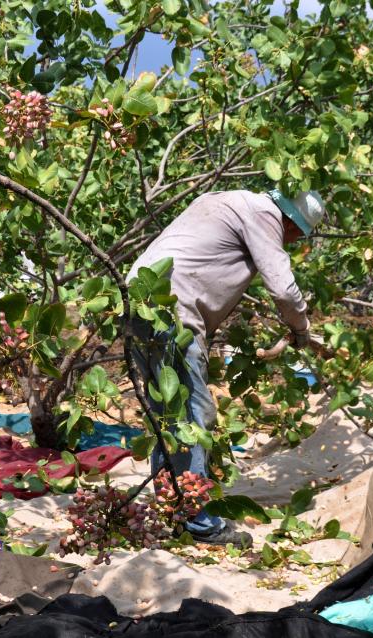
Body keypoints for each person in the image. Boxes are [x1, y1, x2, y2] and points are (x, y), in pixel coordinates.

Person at [127, 188, 326, 546]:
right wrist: (301, 328)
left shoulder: (229, 199)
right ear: (291, 222)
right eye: (296, 236)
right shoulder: (264, 214)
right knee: (194, 417)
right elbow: (282, 288)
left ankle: (171, 512)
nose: (292, 243)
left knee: (168, 418)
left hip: (142, 303)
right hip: (173, 312)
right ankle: (200, 524)